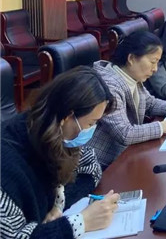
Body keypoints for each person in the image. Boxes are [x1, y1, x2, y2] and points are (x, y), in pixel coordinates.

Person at [1, 66, 120, 239]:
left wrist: (59, 205)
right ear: (67, 117)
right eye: (90, 123)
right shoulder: (7, 169)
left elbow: (91, 167)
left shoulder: (56, 134)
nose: (92, 130)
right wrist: (80, 222)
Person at [90, 32, 166, 169]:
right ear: (132, 58)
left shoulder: (130, 75)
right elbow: (125, 133)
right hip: (104, 164)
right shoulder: (109, 85)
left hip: (127, 154)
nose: (155, 69)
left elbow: (149, 102)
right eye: (152, 62)